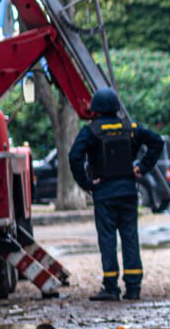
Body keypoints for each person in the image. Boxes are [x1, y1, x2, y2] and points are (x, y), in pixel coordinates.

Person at [69, 87, 163, 301]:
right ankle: (133, 287)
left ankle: (111, 287)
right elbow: (157, 141)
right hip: (129, 192)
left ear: (96, 110)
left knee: (108, 239)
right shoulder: (130, 128)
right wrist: (142, 167)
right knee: (130, 237)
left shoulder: (91, 131)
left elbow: (74, 156)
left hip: (104, 194)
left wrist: (86, 183)